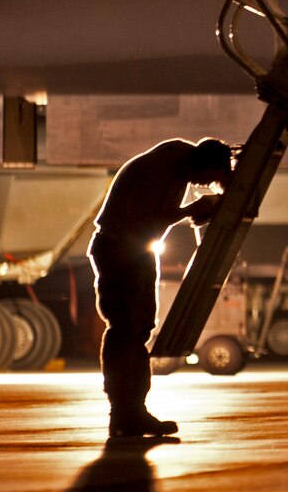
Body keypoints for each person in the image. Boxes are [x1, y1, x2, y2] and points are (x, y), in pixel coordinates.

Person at [89, 137, 234, 438]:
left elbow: (153, 220)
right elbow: (141, 220)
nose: (204, 184)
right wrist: (189, 210)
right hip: (118, 248)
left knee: (140, 329)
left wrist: (211, 197)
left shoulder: (182, 161)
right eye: (207, 178)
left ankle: (134, 412)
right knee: (124, 327)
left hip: (137, 250)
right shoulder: (158, 169)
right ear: (202, 164)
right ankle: (122, 413)